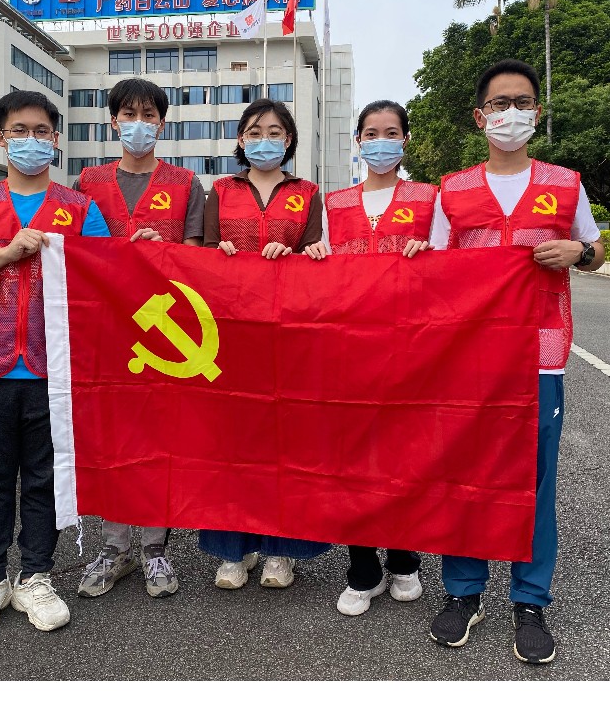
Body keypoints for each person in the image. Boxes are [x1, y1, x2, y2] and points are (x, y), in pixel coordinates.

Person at [424, 59, 602, 665]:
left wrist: (579, 251)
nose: (511, 113)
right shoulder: (452, 190)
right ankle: (464, 590)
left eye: (522, 102)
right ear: (481, 117)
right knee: (466, 472)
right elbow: (432, 273)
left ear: (537, 112)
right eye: (500, 104)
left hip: (540, 352)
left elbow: (597, 249)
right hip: (470, 358)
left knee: (535, 477)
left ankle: (530, 597)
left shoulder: (565, 183)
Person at [0, 89, 110, 640]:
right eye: (19, 130)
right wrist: (7, 252)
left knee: (43, 479)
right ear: (1, 138)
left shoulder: (80, 208)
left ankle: (36, 575)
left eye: (41, 130)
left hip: (55, 372)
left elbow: (107, 279)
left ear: (55, 139)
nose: (31, 139)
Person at [73, 76, 205, 601]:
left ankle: (155, 549)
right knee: (110, 441)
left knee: (158, 441)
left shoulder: (185, 184)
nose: (139, 124)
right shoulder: (87, 183)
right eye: (129, 114)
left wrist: (161, 253)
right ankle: (113, 547)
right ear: (113, 122)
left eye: (149, 115)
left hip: (164, 333)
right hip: (106, 332)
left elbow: (197, 257)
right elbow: (77, 256)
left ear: (162, 124)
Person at [301, 100, 433, 615]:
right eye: (371, 132)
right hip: (349, 352)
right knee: (353, 459)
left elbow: (453, 265)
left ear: (405, 141)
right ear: (358, 141)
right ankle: (362, 569)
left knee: (404, 456)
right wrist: (315, 255)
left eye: (392, 132)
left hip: (411, 351)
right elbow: (323, 271)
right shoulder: (334, 204)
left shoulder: (429, 199)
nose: (381, 141)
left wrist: (430, 258)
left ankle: (404, 560)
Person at [198, 97, 329, 589]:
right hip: (230, 332)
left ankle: (281, 551)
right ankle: (234, 549)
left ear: (289, 140)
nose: (264, 139)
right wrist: (223, 253)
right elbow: (203, 256)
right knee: (231, 442)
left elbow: (318, 254)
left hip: (289, 331)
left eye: (274, 131)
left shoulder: (307, 193)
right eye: (254, 131)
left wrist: (298, 253)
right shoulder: (220, 190)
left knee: (285, 442)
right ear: (240, 139)